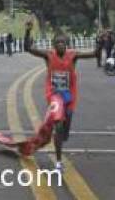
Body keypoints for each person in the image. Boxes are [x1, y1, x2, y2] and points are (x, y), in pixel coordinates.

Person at [24, 21, 96, 172]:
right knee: (58, 124)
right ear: (54, 45)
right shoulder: (48, 56)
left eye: (63, 42)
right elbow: (27, 48)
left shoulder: (73, 56)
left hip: (70, 95)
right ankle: (58, 162)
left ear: (67, 44)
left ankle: (61, 136)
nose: (61, 45)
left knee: (64, 131)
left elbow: (95, 53)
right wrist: (28, 31)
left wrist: (101, 41)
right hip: (54, 94)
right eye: (58, 43)